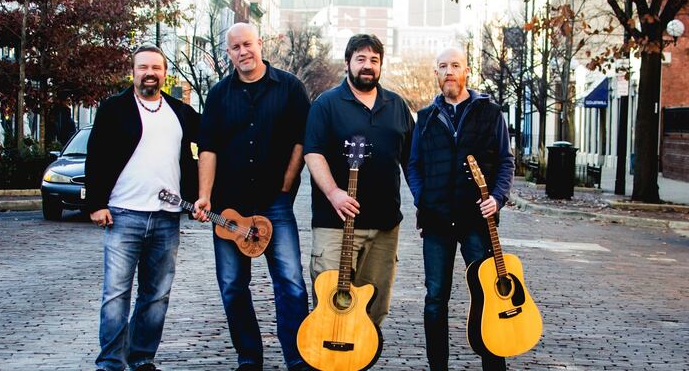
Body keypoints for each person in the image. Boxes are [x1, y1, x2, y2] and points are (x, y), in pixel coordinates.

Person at [192, 23, 311, 371]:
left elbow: (302, 139)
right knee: (232, 284)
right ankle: (249, 356)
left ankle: (297, 357)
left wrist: (287, 182)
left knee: (290, 282)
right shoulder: (218, 95)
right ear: (228, 53)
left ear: (259, 44)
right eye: (235, 47)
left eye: (247, 44)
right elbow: (208, 148)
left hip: (275, 202)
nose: (243, 51)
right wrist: (204, 196)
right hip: (229, 205)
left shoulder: (289, 87)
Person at [86, 43, 199, 371]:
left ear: (165, 73)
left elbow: (210, 144)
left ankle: (141, 358)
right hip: (123, 215)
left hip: (167, 218)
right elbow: (96, 156)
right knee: (116, 294)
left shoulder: (179, 112)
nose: (150, 73)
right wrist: (96, 204)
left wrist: (199, 197)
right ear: (133, 72)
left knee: (156, 294)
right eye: (143, 67)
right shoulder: (114, 109)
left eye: (156, 68)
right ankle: (110, 362)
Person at [407, 47, 514, 371]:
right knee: (435, 299)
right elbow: (413, 165)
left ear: (467, 71)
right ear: (436, 74)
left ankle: (493, 366)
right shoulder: (425, 118)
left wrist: (498, 197)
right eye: (443, 66)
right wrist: (423, 198)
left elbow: (505, 161)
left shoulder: (489, 113)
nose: (449, 71)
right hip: (436, 222)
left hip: (477, 222)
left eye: (455, 65)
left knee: (488, 295)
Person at [303, 33, 415, 327]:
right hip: (335, 224)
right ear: (347, 63)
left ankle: (363, 353)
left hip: (384, 227)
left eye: (374, 60)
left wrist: (425, 202)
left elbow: (412, 161)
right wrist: (333, 192)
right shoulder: (326, 104)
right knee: (330, 307)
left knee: (373, 311)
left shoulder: (397, 105)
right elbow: (313, 153)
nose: (368, 65)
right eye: (361, 59)